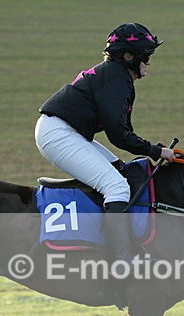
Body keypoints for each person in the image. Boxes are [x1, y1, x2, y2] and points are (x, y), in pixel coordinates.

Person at [35, 23, 175, 274]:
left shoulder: (115, 75)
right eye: (146, 56)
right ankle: (121, 261)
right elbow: (120, 136)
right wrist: (156, 151)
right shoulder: (116, 79)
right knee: (116, 186)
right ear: (129, 56)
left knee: (119, 173)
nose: (149, 63)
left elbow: (122, 133)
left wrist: (154, 149)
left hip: (66, 131)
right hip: (58, 134)